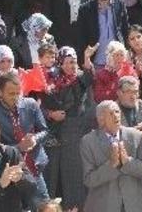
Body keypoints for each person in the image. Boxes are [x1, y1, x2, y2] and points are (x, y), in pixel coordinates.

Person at [0, 72, 50, 206]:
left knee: (46, 206)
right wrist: (18, 147)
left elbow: (45, 131)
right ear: (0, 92)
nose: (15, 97)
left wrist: (34, 140)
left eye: (18, 93)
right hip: (10, 174)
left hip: (34, 168)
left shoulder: (30, 104)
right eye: (11, 93)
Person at [40, 46, 92, 210]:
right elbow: (37, 107)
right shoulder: (50, 80)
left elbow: (90, 78)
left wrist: (87, 60)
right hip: (54, 133)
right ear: (60, 63)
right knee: (53, 176)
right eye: (68, 62)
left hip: (76, 132)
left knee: (74, 173)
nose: (72, 66)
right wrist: (51, 114)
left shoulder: (81, 77)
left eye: (74, 62)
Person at [81, 100, 142, 212]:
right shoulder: (88, 141)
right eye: (111, 113)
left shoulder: (137, 136)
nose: (116, 115)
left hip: (133, 206)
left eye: (117, 112)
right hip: (103, 207)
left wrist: (128, 162)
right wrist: (111, 165)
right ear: (101, 119)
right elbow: (89, 180)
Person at [77, 0, 130, 68]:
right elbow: (80, 37)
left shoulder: (119, 4)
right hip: (97, 62)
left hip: (118, 61)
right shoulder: (85, 9)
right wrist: (84, 60)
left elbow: (125, 30)